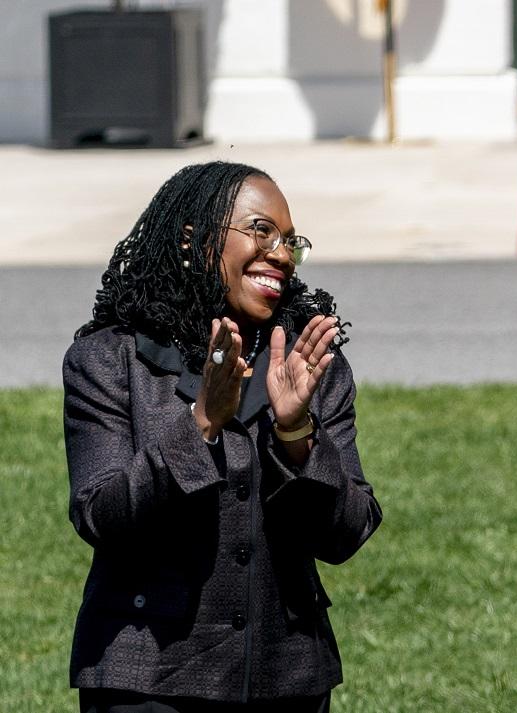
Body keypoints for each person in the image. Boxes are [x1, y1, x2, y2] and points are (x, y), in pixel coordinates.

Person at [63, 161, 382, 712]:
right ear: (194, 239)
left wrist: (296, 432)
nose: (280, 254)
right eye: (261, 231)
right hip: (147, 681)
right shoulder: (110, 360)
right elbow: (100, 517)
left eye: (289, 241)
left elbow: (345, 535)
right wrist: (200, 425)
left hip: (287, 680)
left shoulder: (310, 366)